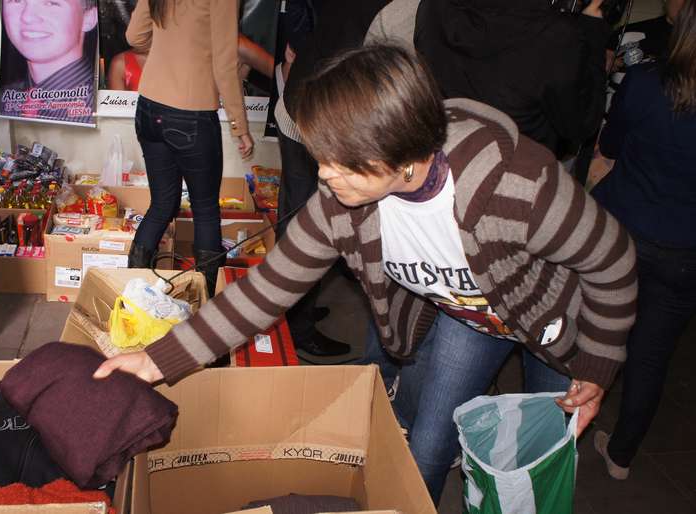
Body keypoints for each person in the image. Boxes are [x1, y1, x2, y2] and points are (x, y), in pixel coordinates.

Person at [94, 45, 637, 504]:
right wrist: (155, 359)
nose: (324, 175)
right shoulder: (342, 201)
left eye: (341, 160)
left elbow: (612, 259)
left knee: (528, 470)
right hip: (470, 320)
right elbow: (264, 291)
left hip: (556, 324)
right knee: (424, 445)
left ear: (404, 155)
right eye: (320, 156)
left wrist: (598, 361)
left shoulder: (515, 187)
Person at [272, 0, 422, 357]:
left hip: (302, 103)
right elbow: (390, 77)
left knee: (296, 218)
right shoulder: (404, 8)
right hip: (330, 120)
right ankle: (297, 325)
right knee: (309, 226)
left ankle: (293, 315)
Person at [591, 0, 696, 481]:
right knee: (651, 354)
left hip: (623, 234)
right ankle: (622, 456)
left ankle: (558, 431)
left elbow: (608, 148)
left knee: (592, 335)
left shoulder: (647, 82)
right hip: (685, 253)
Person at [125, 0, 254, 297]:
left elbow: (134, 36)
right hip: (191, 113)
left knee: (161, 205)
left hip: (148, 107)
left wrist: (167, 50)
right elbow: (225, 64)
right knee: (206, 211)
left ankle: (130, 293)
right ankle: (203, 303)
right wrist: (240, 127)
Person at [414, 0, 609, 160]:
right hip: (518, 167)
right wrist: (592, 30)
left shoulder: (433, 6)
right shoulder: (556, 38)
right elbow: (581, 124)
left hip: (448, 150)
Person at [0, 0, 98, 124]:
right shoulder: (5, 100)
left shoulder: (100, 107)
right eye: (17, 0)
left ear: (89, 18)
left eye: (51, 3)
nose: (27, 16)